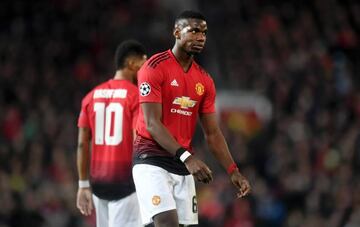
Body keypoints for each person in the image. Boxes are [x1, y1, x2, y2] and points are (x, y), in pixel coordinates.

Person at [132, 10, 251, 227]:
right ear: (177, 32)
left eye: (204, 32)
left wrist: (233, 170)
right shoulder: (153, 67)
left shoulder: (204, 81)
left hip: (182, 165)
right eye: (194, 31)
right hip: (151, 160)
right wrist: (188, 157)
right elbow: (152, 123)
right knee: (167, 222)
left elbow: (213, 133)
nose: (200, 37)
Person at [76, 40, 147, 227]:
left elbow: (82, 144)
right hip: (126, 186)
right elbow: (138, 141)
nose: (145, 70)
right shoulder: (135, 97)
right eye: (143, 63)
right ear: (132, 64)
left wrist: (83, 185)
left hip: (99, 185)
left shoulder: (90, 97)